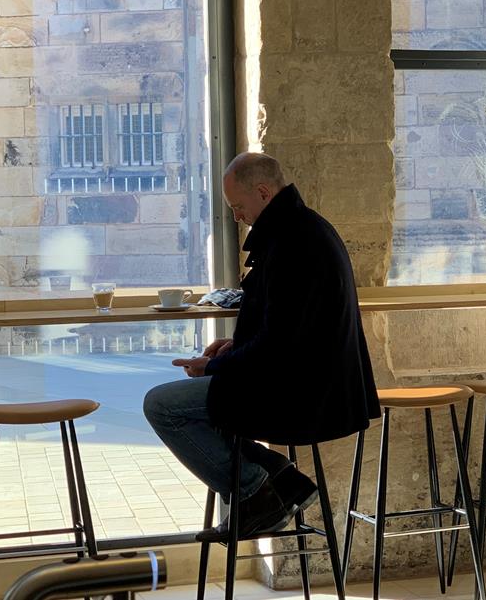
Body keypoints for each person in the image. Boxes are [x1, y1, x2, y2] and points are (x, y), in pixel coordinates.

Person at [143, 152, 380, 540]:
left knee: (162, 406)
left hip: (298, 395)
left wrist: (215, 367)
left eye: (238, 206)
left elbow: (278, 345)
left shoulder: (292, 244)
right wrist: (233, 347)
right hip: (315, 385)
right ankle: (281, 478)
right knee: (201, 410)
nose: (236, 216)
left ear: (264, 192)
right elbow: (287, 330)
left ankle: (259, 489)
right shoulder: (306, 229)